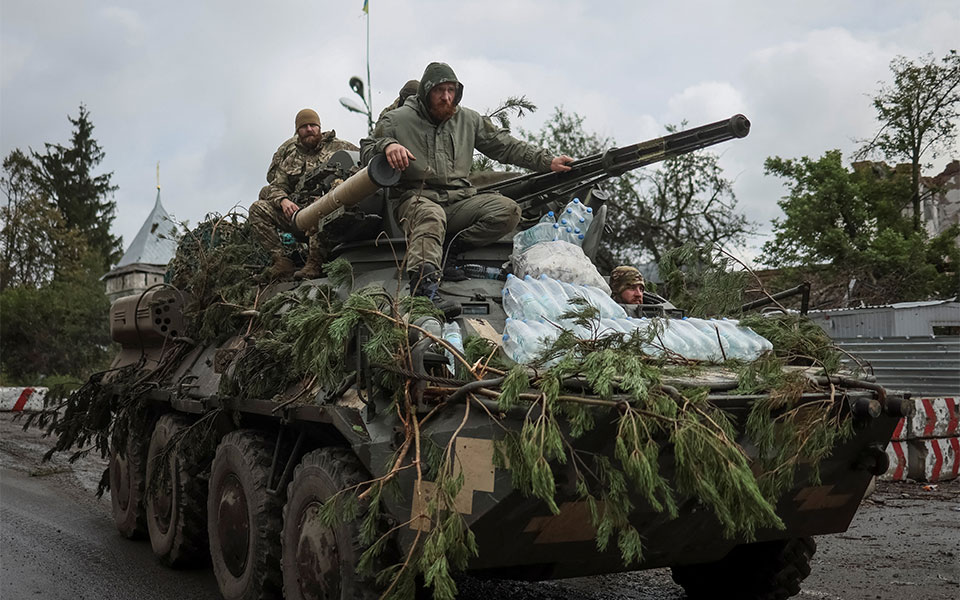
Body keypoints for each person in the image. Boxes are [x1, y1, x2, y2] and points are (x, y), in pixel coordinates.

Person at [360, 62, 574, 313]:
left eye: (451, 90)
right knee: (431, 215)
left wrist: (547, 160)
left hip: (459, 200)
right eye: (440, 91)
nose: (446, 97)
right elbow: (366, 148)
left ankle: (448, 250)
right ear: (426, 91)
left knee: (507, 210)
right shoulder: (397, 120)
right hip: (415, 198)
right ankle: (424, 296)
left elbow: (504, 145)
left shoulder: (467, 120)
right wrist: (387, 146)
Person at [250, 108, 358, 280]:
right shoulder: (292, 157)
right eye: (304, 126)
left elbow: (361, 166)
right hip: (298, 214)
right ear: (297, 131)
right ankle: (282, 261)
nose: (309, 129)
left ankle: (315, 263)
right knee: (258, 209)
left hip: (331, 213)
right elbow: (276, 186)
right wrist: (283, 201)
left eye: (313, 125)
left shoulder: (340, 147)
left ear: (319, 127)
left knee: (321, 206)